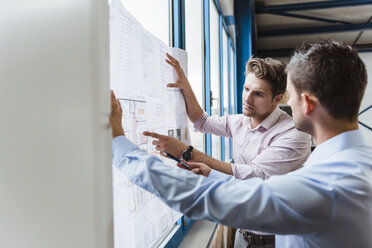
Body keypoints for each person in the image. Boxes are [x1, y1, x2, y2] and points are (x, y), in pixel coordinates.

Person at [111, 41, 372, 247]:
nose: (289, 105)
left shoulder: (323, 185)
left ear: (307, 104)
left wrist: (120, 144)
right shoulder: (358, 163)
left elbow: (206, 197)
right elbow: (203, 122)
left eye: (290, 97)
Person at [145, 55, 311, 247]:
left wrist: (186, 151)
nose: (247, 99)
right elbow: (202, 121)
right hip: (243, 233)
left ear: (277, 99)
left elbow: (255, 176)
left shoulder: (294, 133)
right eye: (246, 89)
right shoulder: (240, 121)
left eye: (258, 94)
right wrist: (185, 86)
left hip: (277, 240)